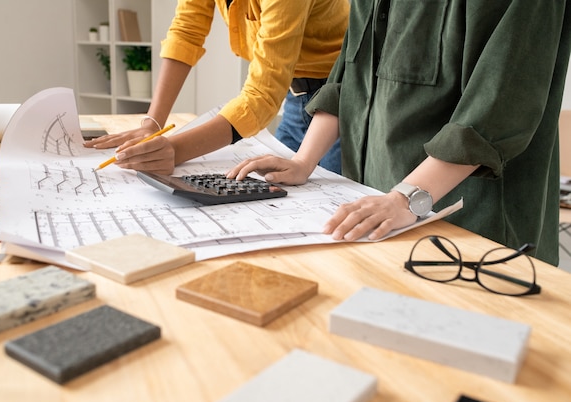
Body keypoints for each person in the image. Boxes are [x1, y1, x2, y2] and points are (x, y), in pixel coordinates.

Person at [227, 0, 571, 266]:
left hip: (474, 228)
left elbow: (501, 101)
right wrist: (304, 160)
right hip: (378, 213)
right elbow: (350, 68)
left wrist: (406, 197)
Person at [85, 0, 349, 174]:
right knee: (278, 191)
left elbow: (261, 96)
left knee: (334, 213)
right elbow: (186, 33)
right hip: (297, 96)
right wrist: (151, 125)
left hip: (341, 101)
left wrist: (175, 150)